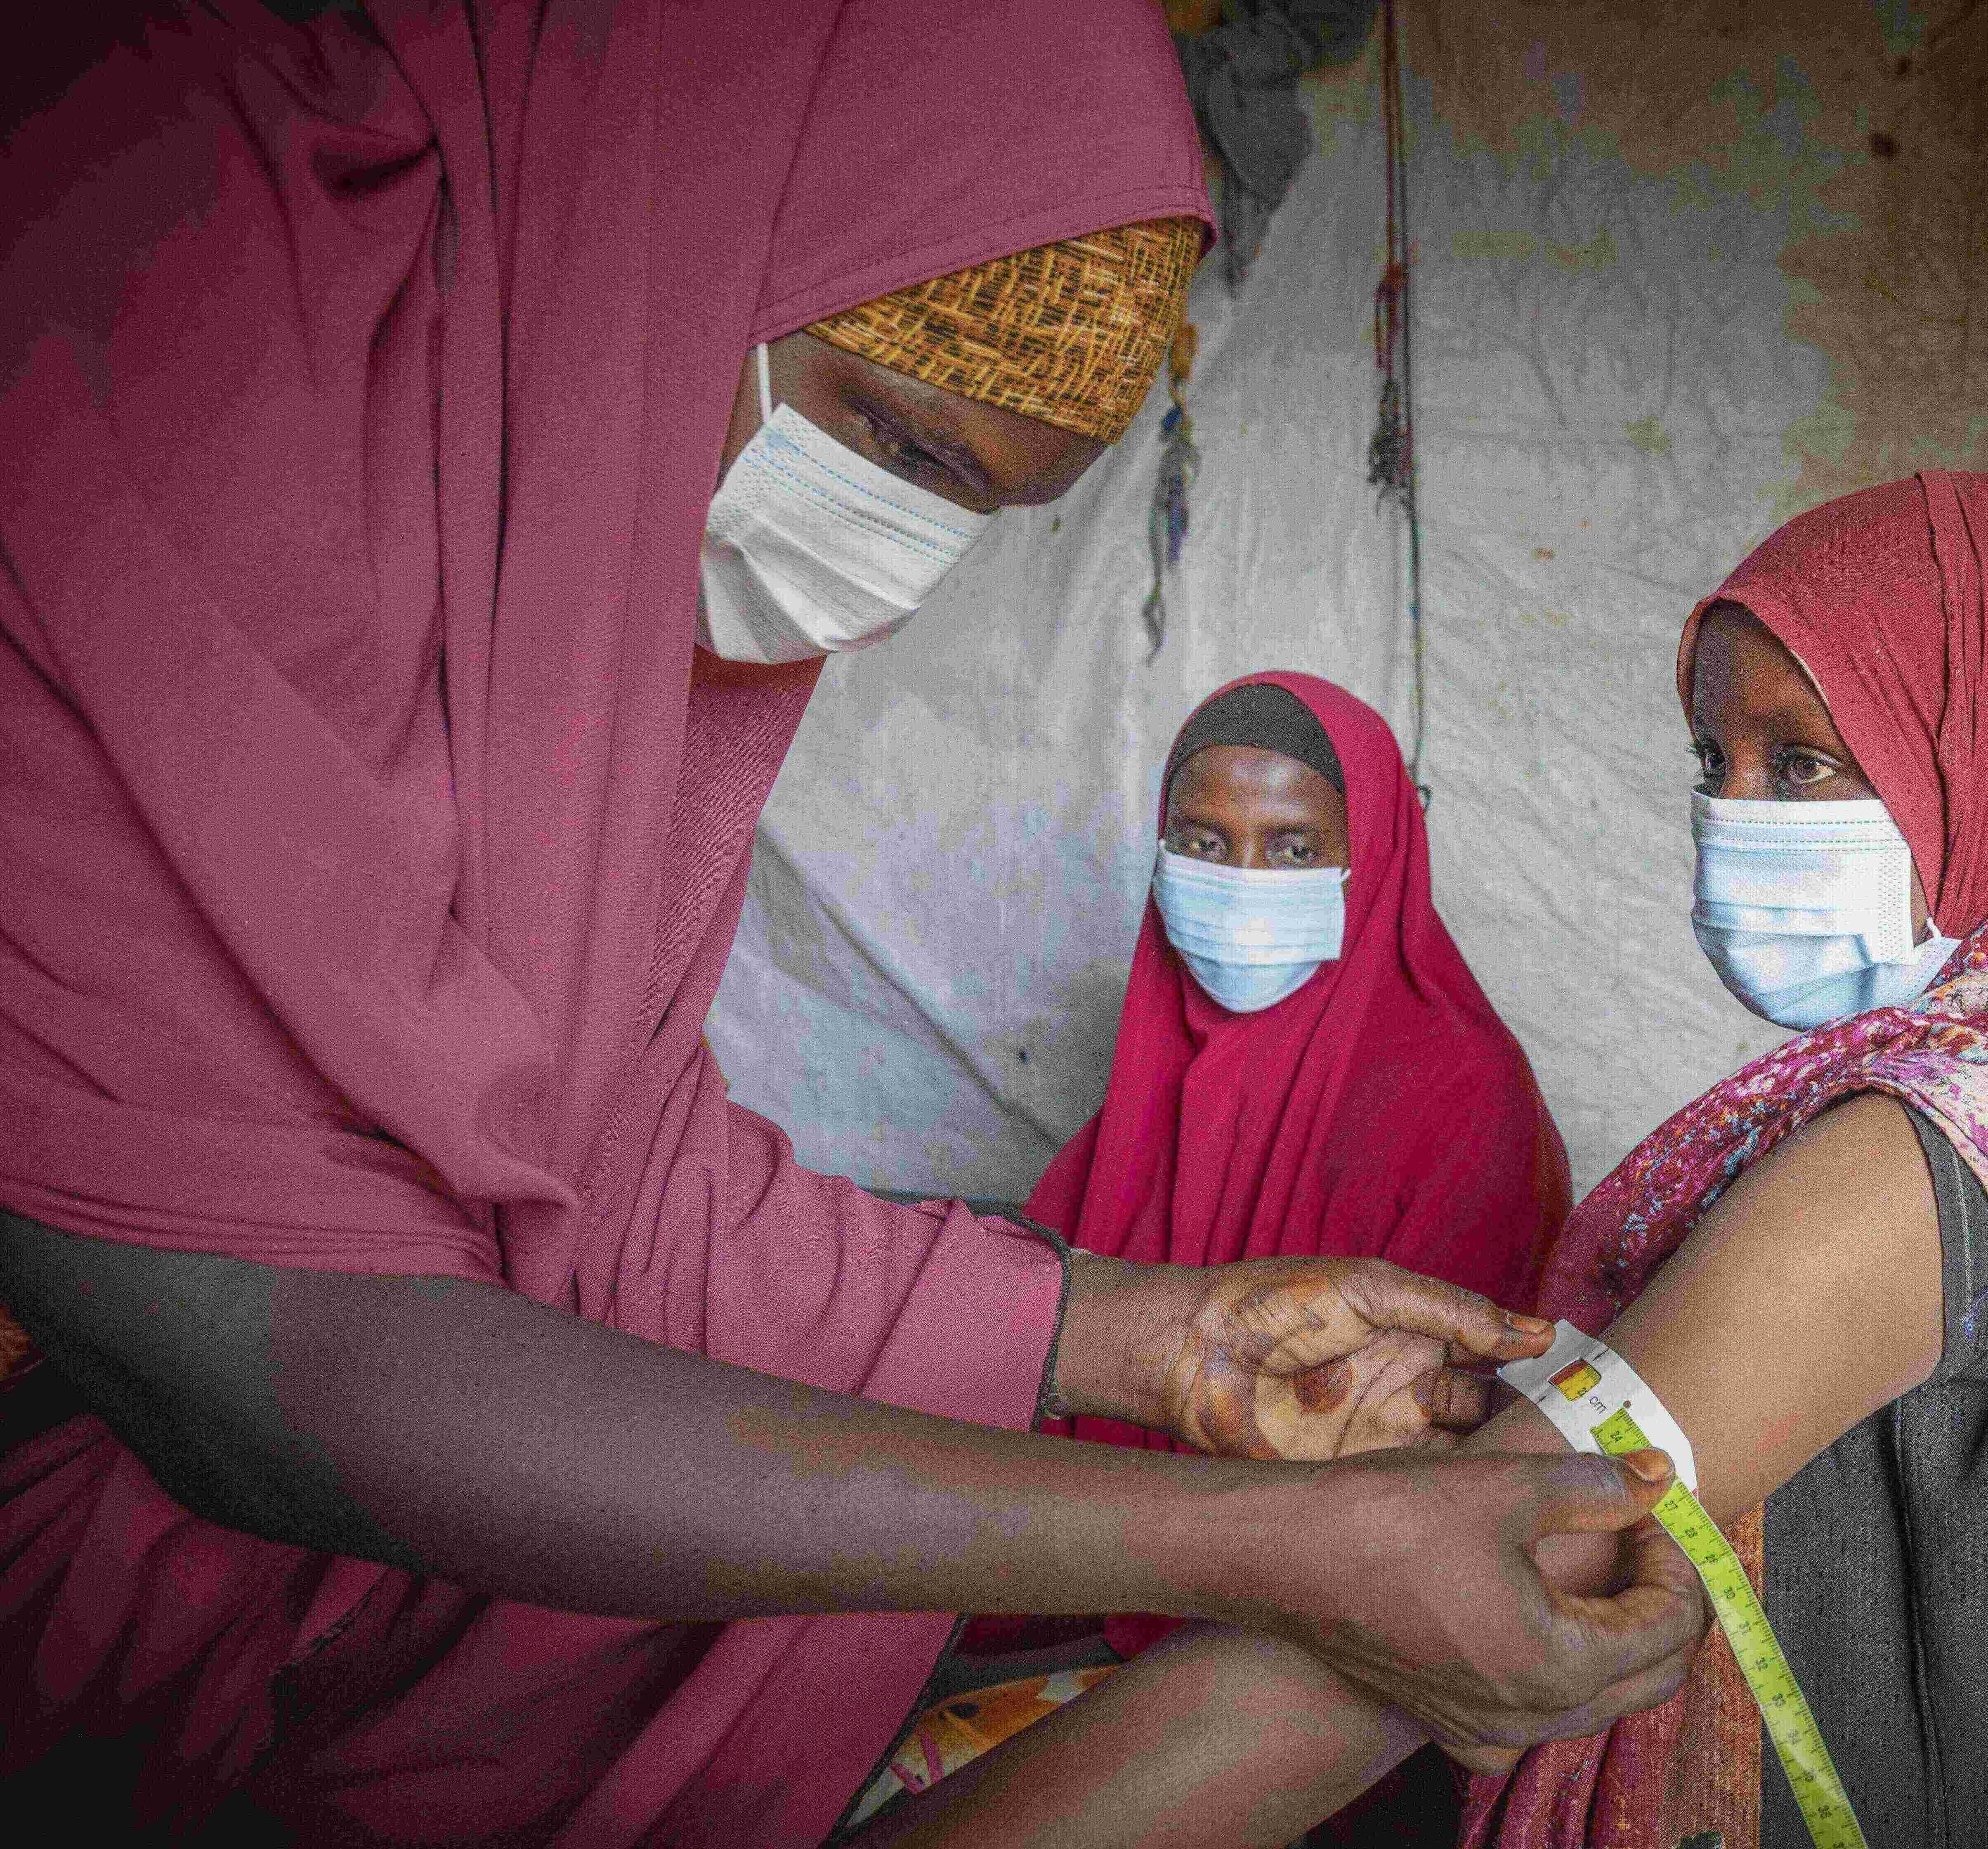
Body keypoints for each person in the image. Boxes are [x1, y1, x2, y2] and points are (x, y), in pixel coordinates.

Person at [0, 5, 1703, 1842]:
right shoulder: (136, 317)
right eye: (889, 439)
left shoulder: (555, 593)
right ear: (676, 238)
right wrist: (1266, 1545)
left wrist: (1158, 1343)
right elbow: (254, 1348)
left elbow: (618, 1192)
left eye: (976, 511)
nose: (887, 569)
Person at [859, 473, 1988, 1849]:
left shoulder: (1948, 1146)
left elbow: (1459, 1582)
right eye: (1715, 765)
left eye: (1805, 764)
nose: (1732, 821)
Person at [942, 673, 1572, 1839]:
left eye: (1292, 849)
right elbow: (1014, 1347)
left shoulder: (1461, 1105)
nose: (1239, 882)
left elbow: (1420, 1484)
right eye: (1202, 843)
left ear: (1374, 861)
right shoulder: (1159, 1070)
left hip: (1313, 1664)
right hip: (1094, 1594)